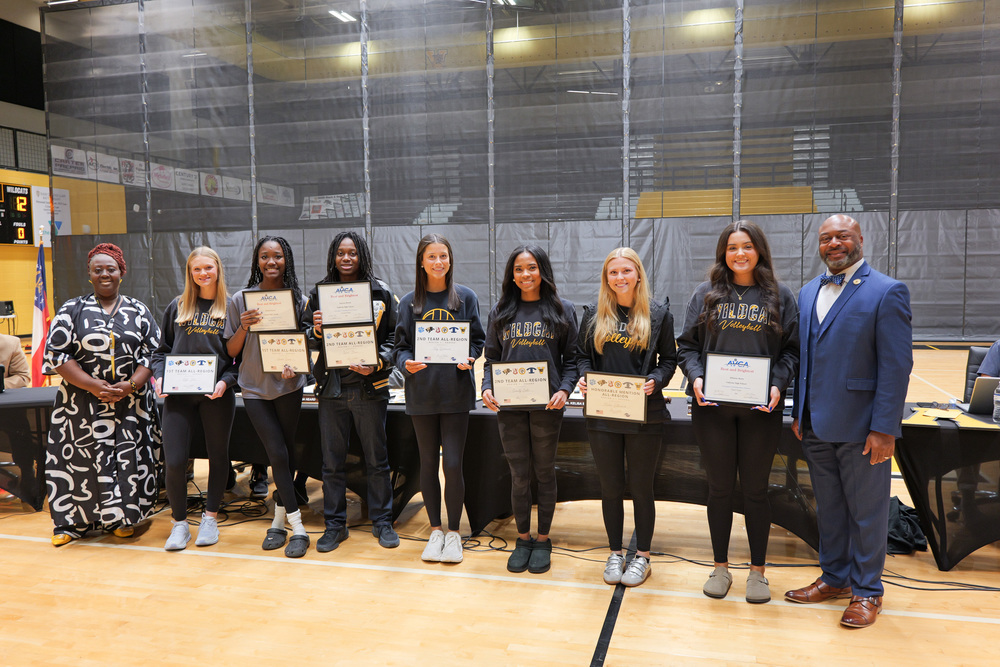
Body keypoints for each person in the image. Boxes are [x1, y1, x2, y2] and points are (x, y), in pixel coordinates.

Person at [785, 214, 912, 628]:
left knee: (867, 513)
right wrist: (799, 412)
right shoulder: (808, 291)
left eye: (842, 236)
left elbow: (896, 366)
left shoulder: (887, 291)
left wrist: (885, 428)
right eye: (826, 238)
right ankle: (835, 578)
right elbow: (806, 359)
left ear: (860, 239)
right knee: (830, 510)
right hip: (815, 425)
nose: (834, 243)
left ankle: (868, 591)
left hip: (862, 428)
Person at [676, 221, 799, 603]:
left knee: (756, 491)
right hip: (712, 410)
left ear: (759, 250)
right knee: (719, 489)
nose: (740, 253)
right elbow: (686, 347)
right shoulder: (705, 294)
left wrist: (777, 384)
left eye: (746, 246)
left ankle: (758, 572)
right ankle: (720, 566)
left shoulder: (780, 295)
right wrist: (696, 377)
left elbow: (792, 351)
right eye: (732, 247)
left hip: (761, 410)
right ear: (723, 253)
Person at [43, 243, 162, 546]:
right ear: (89, 274)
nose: (105, 274)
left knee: (127, 460)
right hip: (81, 404)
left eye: (111, 269)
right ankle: (73, 523)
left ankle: (121, 519)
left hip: (130, 403)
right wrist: (92, 385)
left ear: (122, 272)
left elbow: (154, 353)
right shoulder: (72, 309)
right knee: (78, 461)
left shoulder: (138, 310)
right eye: (98, 270)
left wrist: (131, 385)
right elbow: (57, 354)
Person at [576, 247, 676, 587]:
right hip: (603, 415)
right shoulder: (593, 314)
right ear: (607, 278)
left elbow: (669, 360)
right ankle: (615, 552)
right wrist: (585, 377)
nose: (620, 277)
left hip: (645, 416)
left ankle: (643, 556)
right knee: (610, 487)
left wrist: (656, 380)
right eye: (613, 272)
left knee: (642, 488)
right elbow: (580, 356)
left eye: (626, 271)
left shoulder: (658, 314)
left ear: (638, 275)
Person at [481, 246, 579, 574]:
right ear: (512, 275)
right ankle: (523, 539)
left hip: (547, 405)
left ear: (543, 271)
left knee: (545, 472)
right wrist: (487, 387)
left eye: (532, 267)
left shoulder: (562, 310)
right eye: (519, 269)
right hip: (510, 406)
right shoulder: (500, 311)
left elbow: (573, 359)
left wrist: (565, 389)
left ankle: (544, 538)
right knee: (519, 474)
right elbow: (491, 359)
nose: (526, 274)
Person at [394, 234, 485, 564]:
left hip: (456, 394)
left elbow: (477, 341)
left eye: (443, 256)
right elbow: (400, 348)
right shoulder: (408, 303)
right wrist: (406, 362)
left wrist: (470, 357)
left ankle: (454, 533)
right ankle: (435, 531)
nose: (438, 262)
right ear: (421, 261)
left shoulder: (466, 298)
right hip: (422, 395)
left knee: (453, 464)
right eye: (431, 256)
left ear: (450, 260)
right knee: (428, 462)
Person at [308, 231, 400, 553]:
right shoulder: (319, 293)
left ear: (361, 255)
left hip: (368, 389)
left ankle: (382, 521)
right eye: (340, 253)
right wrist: (315, 330)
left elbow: (396, 339)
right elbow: (306, 336)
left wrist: (377, 362)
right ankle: (335, 525)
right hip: (331, 390)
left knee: (377, 460)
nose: (346, 258)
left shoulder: (382, 292)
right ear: (333, 257)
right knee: (332, 464)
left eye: (352, 253)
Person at [225, 236, 313, 558]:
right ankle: (298, 527)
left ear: (286, 259)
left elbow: (303, 346)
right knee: (275, 450)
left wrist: (295, 366)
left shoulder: (299, 300)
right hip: (254, 388)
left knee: (285, 455)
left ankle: (278, 521)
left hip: (289, 385)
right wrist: (244, 327)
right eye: (265, 256)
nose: (271, 262)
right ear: (257, 261)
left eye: (277, 256)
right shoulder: (241, 299)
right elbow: (230, 351)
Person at [152, 247, 238, 551]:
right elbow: (160, 352)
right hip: (179, 396)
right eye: (196, 269)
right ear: (190, 273)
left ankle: (210, 518)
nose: (203, 273)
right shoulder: (178, 306)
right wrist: (159, 377)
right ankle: (179, 524)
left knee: (218, 457)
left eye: (208, 268)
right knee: (175, 461)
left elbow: (239, 359)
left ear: (218, 269)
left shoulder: (231, 307)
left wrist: (226, 382)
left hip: (216, 395)